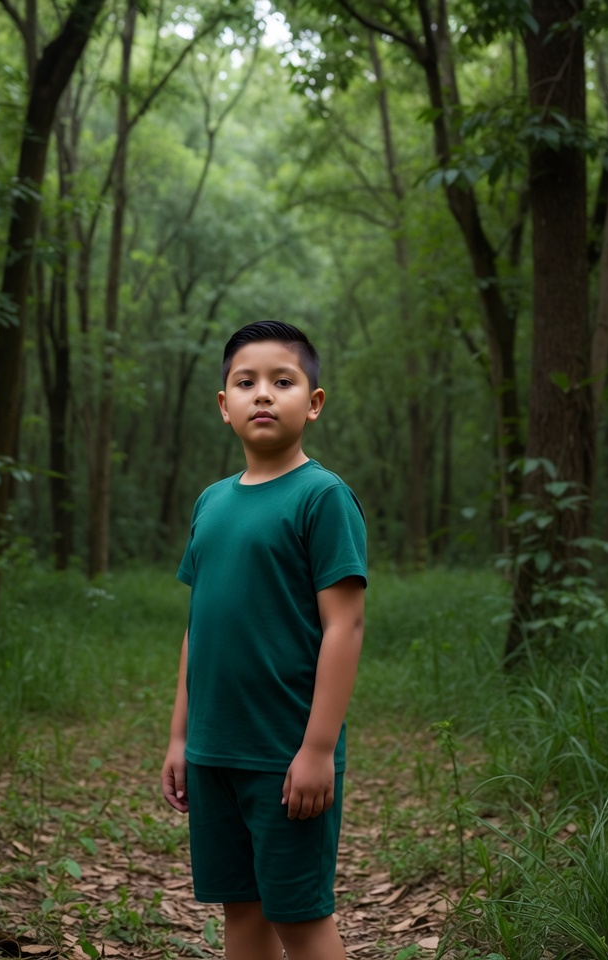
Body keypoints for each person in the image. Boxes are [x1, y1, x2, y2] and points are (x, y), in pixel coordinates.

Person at [161, 320, 367, 960]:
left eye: (283, 381)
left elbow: (345, 625)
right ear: (225, 406)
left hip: (285, 753)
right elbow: (199, 625)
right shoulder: (211, 502)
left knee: (299, 919)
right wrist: (180, 737)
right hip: (213, 752)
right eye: (246, 383)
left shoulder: (322, 497)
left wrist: (318, 750)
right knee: (241, 913)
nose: (264, 395)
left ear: (314, 402)